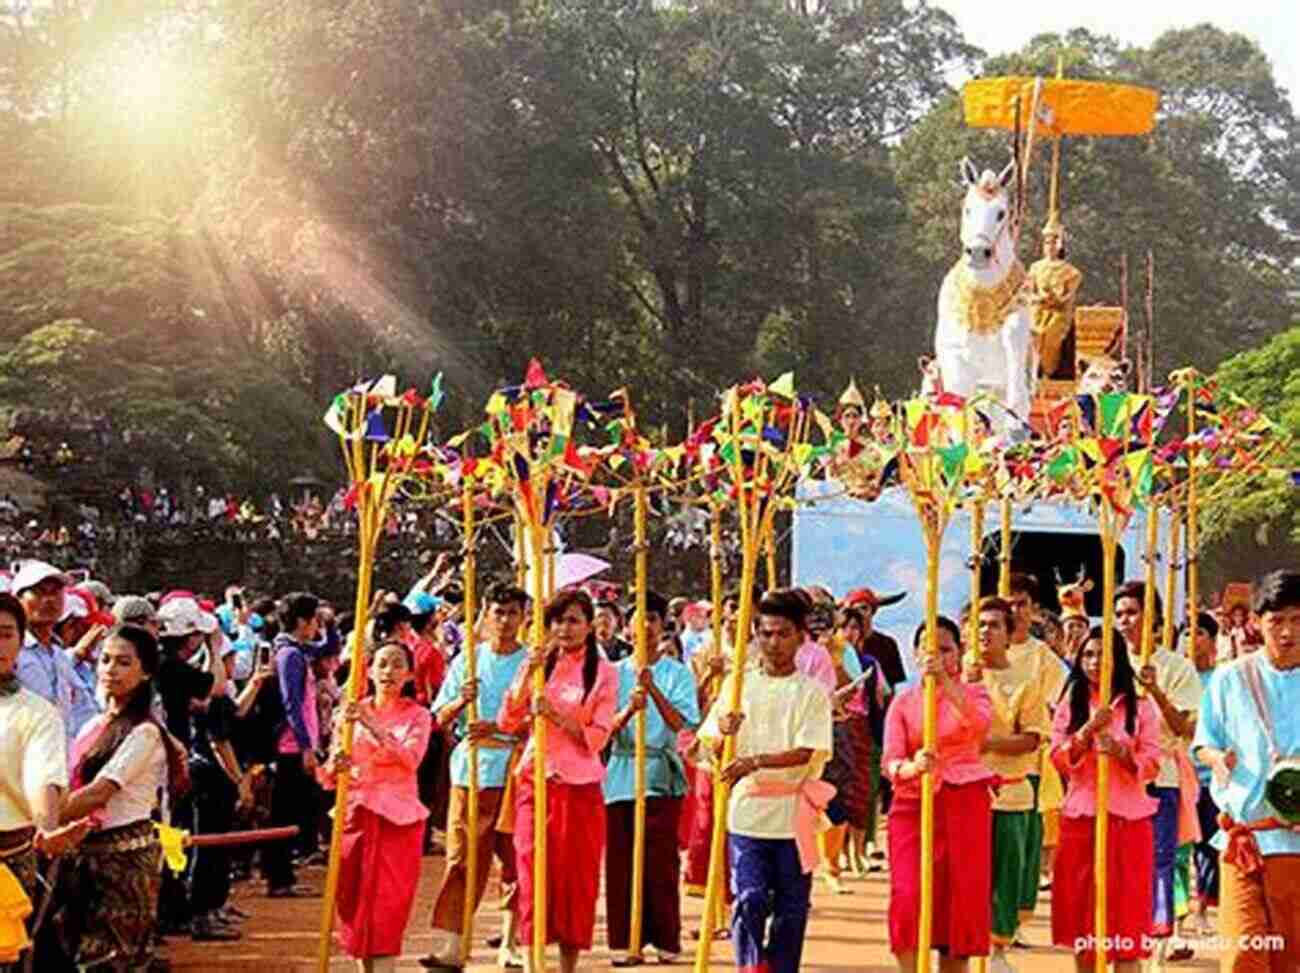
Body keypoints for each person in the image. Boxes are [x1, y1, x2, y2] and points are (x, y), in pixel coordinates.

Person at [696, 588, 833, 973]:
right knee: (749, 898)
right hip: (748, 813)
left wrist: (754, 762)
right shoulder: (738, 686)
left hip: (793, 814)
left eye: (783, 633)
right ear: (755, 633)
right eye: (766, 633)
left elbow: (807, 751)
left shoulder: (811, 694)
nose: (773, 642)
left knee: (792, 908)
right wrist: (724, 730)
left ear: (800, 636)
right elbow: (710, 745)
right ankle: (752, 966)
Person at [55, 624, 190, 972]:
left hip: (124, 861)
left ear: (145, 672)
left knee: (112, 957)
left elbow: (101, 791)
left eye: (123, 662)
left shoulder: (144, 732)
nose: (110, 670)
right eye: (105, 660)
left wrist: (40, 818)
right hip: (82, 853)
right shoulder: (93, 726)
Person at [498, 590, 617, 973]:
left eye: (573, 621)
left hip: (580, 786)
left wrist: (556, 715)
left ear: (588, 626)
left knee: (576, 879)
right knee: (532, 869)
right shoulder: (536, 665)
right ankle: (534, 961)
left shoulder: (604, 673)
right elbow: (508, 720)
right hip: (536, 781)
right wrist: (525, 681)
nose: (563, 629)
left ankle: (568, 964)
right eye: (557, 621)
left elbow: (598, 737)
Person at [1193, 570, 1300, 973]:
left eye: (1297, 619)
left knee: (1290, 961)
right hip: (1244, 841)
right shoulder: (1229, 678)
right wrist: (1216, 759)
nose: (1287, 632)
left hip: (1296, 845)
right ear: (1256, 622)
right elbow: (1204, 742)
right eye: (1277, 621)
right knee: (1242, 955)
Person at [420, 583, 530, 971]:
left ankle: (511, 940)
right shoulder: (468, 659)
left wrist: (504, 728)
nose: (504, 621)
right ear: (486, 613)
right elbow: (439, 716)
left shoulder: (531, 662)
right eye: (498, 612)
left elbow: (539, 720)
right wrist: (461, 701)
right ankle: (453, 942)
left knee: (516, 859)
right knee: (462, 857)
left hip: (515, 771)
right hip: (470, 770)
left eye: (513, 613)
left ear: (524, 617)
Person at [882, 616, 991, 972]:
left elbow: (979, 726)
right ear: (914, 654)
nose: (936, 657)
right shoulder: (902, 703)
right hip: (914, 803)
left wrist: (944, 680)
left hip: (964, 802)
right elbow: (890, 760)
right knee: (909, 895)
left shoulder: (974, 692)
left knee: (958, 899)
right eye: (929, 650)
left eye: (945, 650)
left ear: (959, 653)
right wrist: (913, 768)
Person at [1050, 628, 1161, 972]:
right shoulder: (1071, 705)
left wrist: (1121, 752)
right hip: (1082, 820)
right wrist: (1084, 733)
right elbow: (1058, 759)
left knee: (1127, 924)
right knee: (1086, 924)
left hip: (1129, 822)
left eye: (1104, 655)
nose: (1096, 663)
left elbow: (1152, 764)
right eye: (1088, 655)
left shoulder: (1141, 707)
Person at [319, 641, 432, 973]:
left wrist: (373, 727)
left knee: (387, 903)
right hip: (354, 815)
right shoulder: (348, 714)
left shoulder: (419, 716)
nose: (389, 672)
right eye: (382, 664)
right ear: (368, 670)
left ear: (410, 674)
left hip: (398, 820)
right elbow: (330, 772)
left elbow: (411, 759)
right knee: (352, 900)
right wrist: (336, 765)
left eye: (398, 664)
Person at [602, 590, 699, 966]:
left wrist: (653, 689)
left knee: (660, 861)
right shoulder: (612, 674)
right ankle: (626, 940)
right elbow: (603, 730)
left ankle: (665, 938)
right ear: (626, 627)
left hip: (660, 771)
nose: (644, 625)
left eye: (652, 619)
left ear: (663, 626)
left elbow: (683, 722)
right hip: (622, 772)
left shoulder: (677, 673)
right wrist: (629, 709)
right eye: (637, 618)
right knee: (622, 861)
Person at [1115, 581, 1201, 953]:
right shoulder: (1108, 664)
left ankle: (1160, 931)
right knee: (1120, 857)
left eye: (1131, 613)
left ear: (1153, 619)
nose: (1124, 621)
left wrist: (1156, 692)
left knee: (1160, 856)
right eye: (1118, 614)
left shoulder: (1177, 667)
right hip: (1117, 777)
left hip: (1161, 776)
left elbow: (1186, 727)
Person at [0, 592, 82, 968]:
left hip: (12, 860)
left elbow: (42, 777)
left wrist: (47, 828)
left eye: (5, 634)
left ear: (20, 641)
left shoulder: (36, 713)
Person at [974, 597, 1049, 973]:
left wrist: (988, 744)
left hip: (1011, 792)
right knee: (969, 873)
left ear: (1009, 633)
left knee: (1006, 873)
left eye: (993, 625)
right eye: (979, 624)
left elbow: (1033, 738)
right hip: (966, 793)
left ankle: (998, 948)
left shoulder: (1025, 682)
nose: (985, 632)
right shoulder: (963, 678)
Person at [1005, 573, 1067, 932]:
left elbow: (1059, 704)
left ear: (1034, 610)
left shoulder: (1042, 656)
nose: (1015, 611)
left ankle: (1012, 919)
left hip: (1031, 760)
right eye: (1009, 602)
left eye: (1022, 603)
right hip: (988, 763)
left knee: (1026, 843)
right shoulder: (978, 656)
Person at [264, 592, 327, 897]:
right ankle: (279, 877)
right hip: (290, 746)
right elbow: (292, 703)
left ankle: (283, 873)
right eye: (314, 619)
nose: (317, 626)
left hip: (299, 743)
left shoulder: (297, 651)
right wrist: (305, 745)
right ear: (302, 621)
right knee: (287, 813)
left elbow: (329, 646)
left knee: (296, 809)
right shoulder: (289, 655)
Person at [814, 604, 871, 894]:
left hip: (835, 727)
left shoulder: (842, 649)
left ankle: (832, 866)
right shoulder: (791, 647)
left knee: (836, 797)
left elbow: (855, 688)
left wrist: (833, 662)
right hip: (798, 731)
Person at [12, 560, 97, 746]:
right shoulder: (10, 653)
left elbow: (82, 711)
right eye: (39, 592)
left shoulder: (59, 656)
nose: (49, 599)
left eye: (55, 592)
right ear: (18, 601)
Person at [1181, 612, 1220, 936]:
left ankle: (1204, 909)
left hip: (1212, 777)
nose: (1191, 641)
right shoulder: (1179, 676)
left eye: (1199, 634)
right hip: (1181, 775)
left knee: (1208, 845)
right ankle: (1176, 916)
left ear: (1212, 638)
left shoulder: (1221, 679)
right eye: (1187, 634)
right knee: (1182, 846)